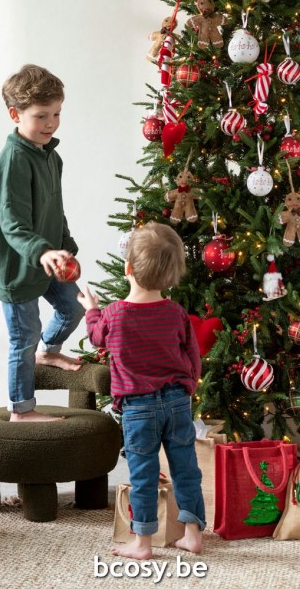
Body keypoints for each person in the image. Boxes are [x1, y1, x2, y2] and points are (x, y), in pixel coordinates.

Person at [79, 222, 205, 558]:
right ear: (172, 274)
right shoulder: (176, 313)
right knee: (186, 470)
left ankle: (142, 542)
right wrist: (189, 385)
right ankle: (192, 534)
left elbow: (96, 336)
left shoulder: (114, 314)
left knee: (144, 475)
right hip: (178, 402)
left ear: (128, 267)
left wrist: (91, 309)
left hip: (138, 410)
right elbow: (193, 355)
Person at [0, 63, 84, 423]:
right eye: (41, 116)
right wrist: (42, 251)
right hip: (18, 269)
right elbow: (12, 223)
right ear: (15, 114)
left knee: (73, 307)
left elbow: (55, 208)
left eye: (57, 113)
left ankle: (51, 351)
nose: (51, 123)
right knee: (23, 339)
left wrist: (65, 244)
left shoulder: (50, 156)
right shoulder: (14, 159)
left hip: (48, 260)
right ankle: (21, 410)